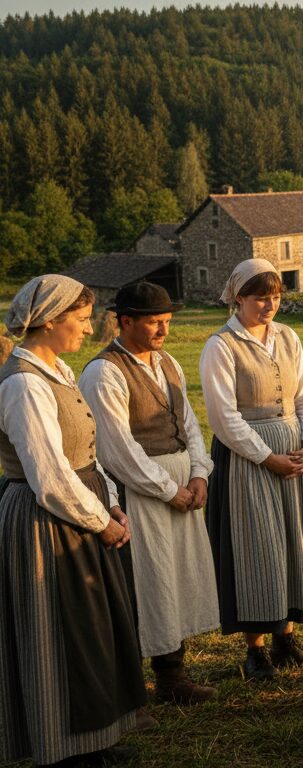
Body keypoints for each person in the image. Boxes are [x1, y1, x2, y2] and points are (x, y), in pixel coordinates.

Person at [0, 276, 145, 766]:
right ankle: (64, 749)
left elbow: (84, 451)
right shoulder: (23, 383)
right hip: (47, 524)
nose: (88, 329)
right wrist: (99, 519)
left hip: (82, 511)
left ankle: (95, 741)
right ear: (48, 321)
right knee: (57, 636)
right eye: (81, 320)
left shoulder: (57, 369)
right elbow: (50, 476)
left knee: (91, 630)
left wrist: (112, 502)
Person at [80, 282, 219, 704]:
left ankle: (173, 674)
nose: (163, 330)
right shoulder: (104, 372)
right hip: (141, 491)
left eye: (167, 321)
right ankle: (135, 684)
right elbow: (116, 450)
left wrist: (199, 474)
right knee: (148, 579)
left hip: (181, 482)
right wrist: (167, 490)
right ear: (125, 322)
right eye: (154, 322)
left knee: (174, 575)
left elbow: (189, 423)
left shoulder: (168, 363)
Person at [200, 258, 303, 679]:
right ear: (238, 298)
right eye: (260, 297)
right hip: (249, 461)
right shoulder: (221, 346)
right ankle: (254, 649)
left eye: (275, 296)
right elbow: (224, 418)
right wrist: (267, 457)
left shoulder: (288, 338)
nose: (269, 305)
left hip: (296, 455)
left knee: (295, 540)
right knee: (257, 548)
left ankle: (286, 639)